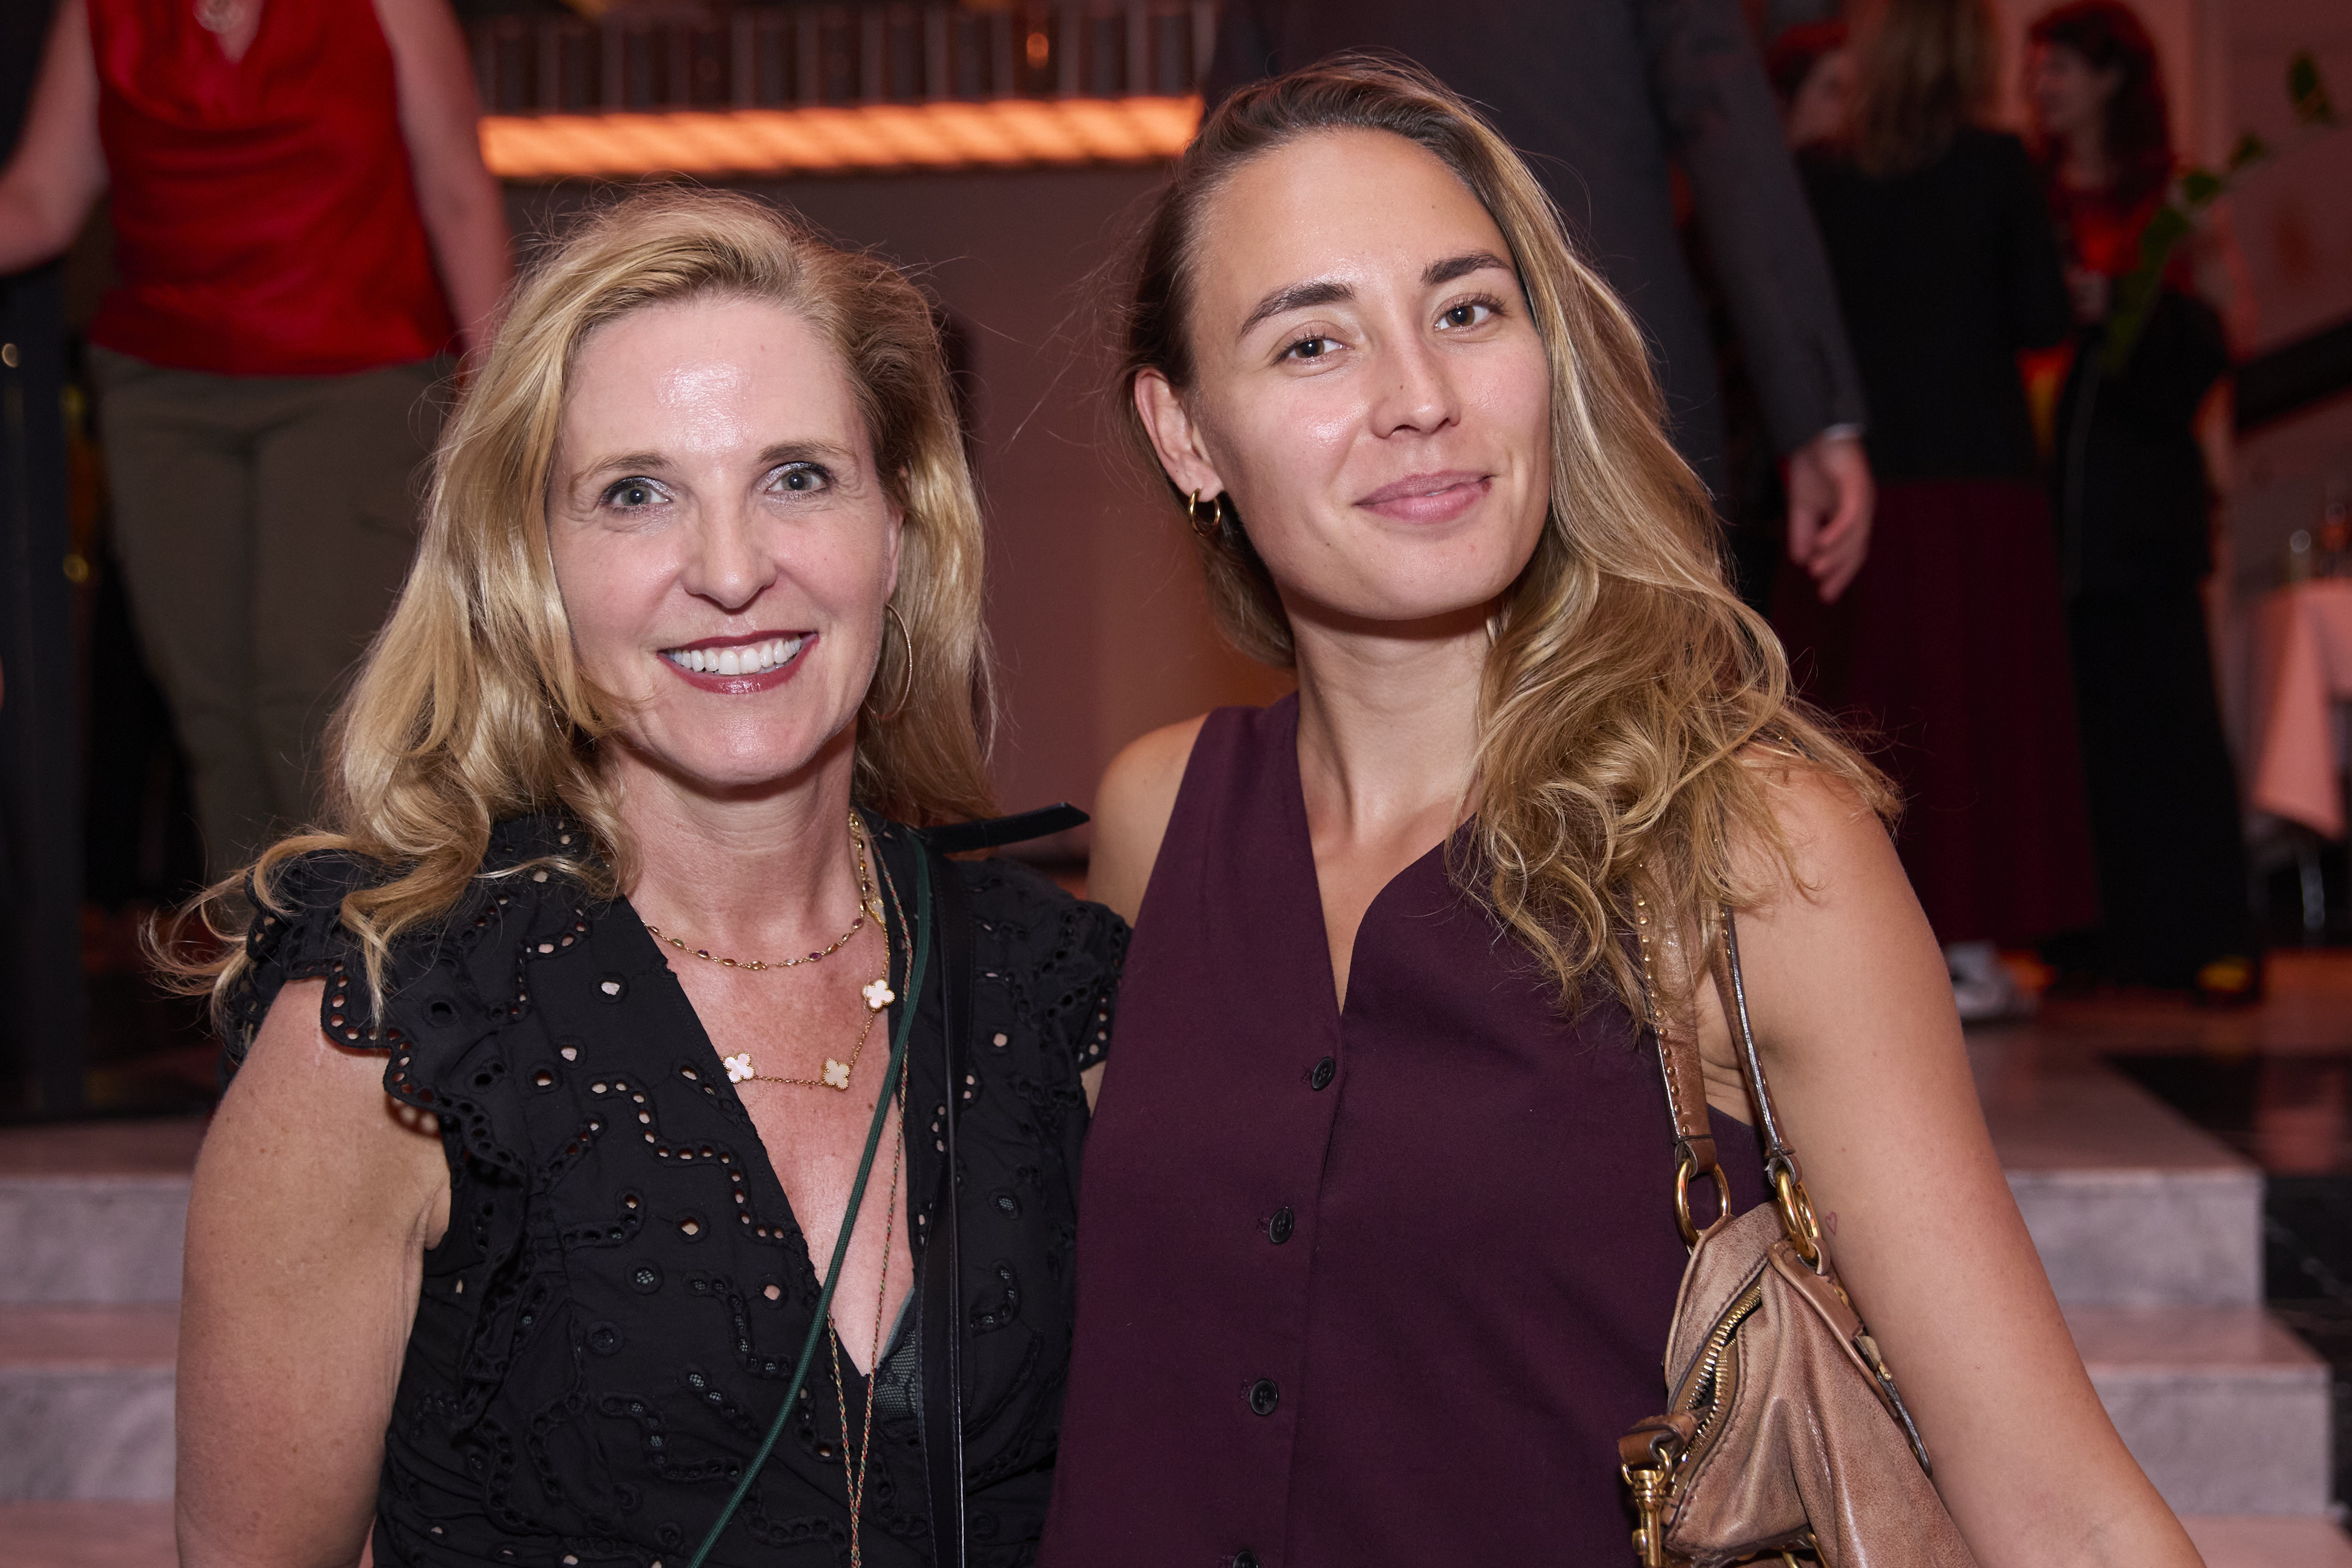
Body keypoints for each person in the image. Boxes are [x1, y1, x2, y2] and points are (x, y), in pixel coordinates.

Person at [1041, 61, 2199, 1567]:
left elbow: (2058, 1508)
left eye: (1468, 310)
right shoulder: (1158, 818)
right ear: (1186, 433)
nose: (1419, 396)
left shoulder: (1752, 848)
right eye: (1312, 341)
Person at [166, 189, 1125, 1568]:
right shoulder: (394, 1027)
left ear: (898, 527)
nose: (731, 569)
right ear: (531, 567)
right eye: (635, 494)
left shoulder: (1056, 990)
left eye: (797, 477)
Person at [0, 0, 511, 879]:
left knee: (313, 696)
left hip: (354, 374)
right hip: (163, 390)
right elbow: (40, 200)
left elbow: (459, 192)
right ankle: (261, 955)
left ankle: (367, 943)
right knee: (211, 712)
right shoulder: (101, 12)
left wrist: (505, 401)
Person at [1208, 0, 1878, 608]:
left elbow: (1222, 186)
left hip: (1369, 399)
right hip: (1619, 378)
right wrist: (1814, 417)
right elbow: (1729, 134)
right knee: (1655, 670)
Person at [1771, 0, 2097, 1020]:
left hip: (1853, 479)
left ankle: (1851, 942)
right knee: (1979, 714)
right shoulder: (1995, 165)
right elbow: (2040, 318)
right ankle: (1965, 946)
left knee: (1861, 713)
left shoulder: (1820, 175)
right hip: (1977, 480)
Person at [2027, 0, 2258, 1001]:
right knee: (2078, 736)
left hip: (2142, 510)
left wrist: (2125, 303)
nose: (2038, 88)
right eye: (2035, 70)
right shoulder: (2031, 194)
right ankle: (2092, 941)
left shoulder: (2172, 195)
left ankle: (2207, 937)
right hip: (2048, 507)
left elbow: (2228, 329)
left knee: (2169, 726)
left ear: (2112, 77)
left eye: (2058, 69)